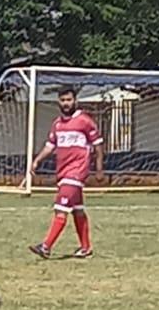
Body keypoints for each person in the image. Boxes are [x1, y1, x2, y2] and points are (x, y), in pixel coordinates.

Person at [27, 86, 104, 258]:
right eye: (63, 100)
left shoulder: (85, 121)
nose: (66, 103)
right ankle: (85, 248)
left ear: (75, 100)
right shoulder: (58, 124)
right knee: (77, 209)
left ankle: (46, 247)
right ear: (59, 102)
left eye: (69, 100)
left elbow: (98, 145)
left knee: (60, 209)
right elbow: (50, 146)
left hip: (77, 171)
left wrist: (99, 170)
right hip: (63, 172)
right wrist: (37, 160)